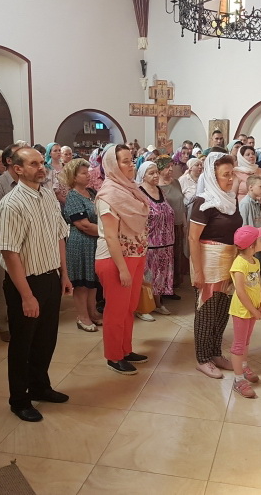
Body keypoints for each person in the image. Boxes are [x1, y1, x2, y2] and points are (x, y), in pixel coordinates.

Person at [0, 147, 71, 422]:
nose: (41, 167)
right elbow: (10, 253)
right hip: (25, 282)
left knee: (46, 339)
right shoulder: (11, 204)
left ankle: (40, 386)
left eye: (41, 162)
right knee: (22, 344)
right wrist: (26, 296)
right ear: (17, 169)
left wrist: (64, 275)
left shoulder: (48, 195)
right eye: (33, 164)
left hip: (50, 276)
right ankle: (19, 399)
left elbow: (59, 235)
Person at [95, 144, 150, 375]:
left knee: (129, 308)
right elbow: (110, 236)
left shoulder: (130, 188)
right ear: (113, 165)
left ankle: (125, 349)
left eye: (131, 160)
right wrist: (122, 269)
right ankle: (114, 356)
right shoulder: (108, 195)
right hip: (115, 259)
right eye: (125, 161)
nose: (131, 165)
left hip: (135, 254)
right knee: (116, 310)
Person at [188, 153, 242, 379]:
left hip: (229, 260)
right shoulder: (203, 202)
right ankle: (203, 359)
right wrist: (197, 271)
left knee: (222, 311)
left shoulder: (230, 199)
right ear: (212, 176)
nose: (230, 179)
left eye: (232, 174)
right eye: (225, 175)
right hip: (209, 262)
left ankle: (215, 353)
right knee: (206, 312)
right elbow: (193, 238)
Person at [0, 142, 24, 343]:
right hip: (6, 242)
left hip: (27, 241)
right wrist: (5, 245)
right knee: (5, 285)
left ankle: (22, 320)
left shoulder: (27, 182)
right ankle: (3, 323)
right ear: (9, 160)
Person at [61, 158, 102, 332]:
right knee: (82, 284)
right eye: (83, 173)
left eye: (88, 172)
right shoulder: (73, 196)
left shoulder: (91, 192)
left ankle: (92, 312)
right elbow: (83, 225)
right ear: (74, 177)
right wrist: (107, 231)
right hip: (81, 243)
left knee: (93, 281)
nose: (88, 175)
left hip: (95, 242)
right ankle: (82, 316)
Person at [228, 225, 261, 399]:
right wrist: (253, 310)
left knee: (246, 341)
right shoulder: (239, 263)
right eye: (259, 239)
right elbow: (241, 291)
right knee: (239, 344)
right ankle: (238, 380)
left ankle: (243, 366)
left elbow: (259, 284)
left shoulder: (255, 261)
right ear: (252, 246)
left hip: (253, 309)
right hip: (242, 311)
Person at [136, 162, 174, 320]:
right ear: (143, 175)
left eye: (156, 172)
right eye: (151, 173)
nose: (156, 175)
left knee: (161, 275)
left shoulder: (160, 190)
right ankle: (143, 307)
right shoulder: (139, 192)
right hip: (149, 243)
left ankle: (158, 303)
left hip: (166, 242)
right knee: (147, 276)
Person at [157, 155, 187, 296]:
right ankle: (164, 286)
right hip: (165, 227)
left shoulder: (176, 182)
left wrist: (184, 223)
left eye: (171, 166)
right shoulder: (157, 186)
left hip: (178, 224)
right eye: (167, 167)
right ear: (160, 169)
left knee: (177, 254)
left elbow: (181, 203)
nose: (170, 169)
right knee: (167, 257)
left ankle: (174, 284)